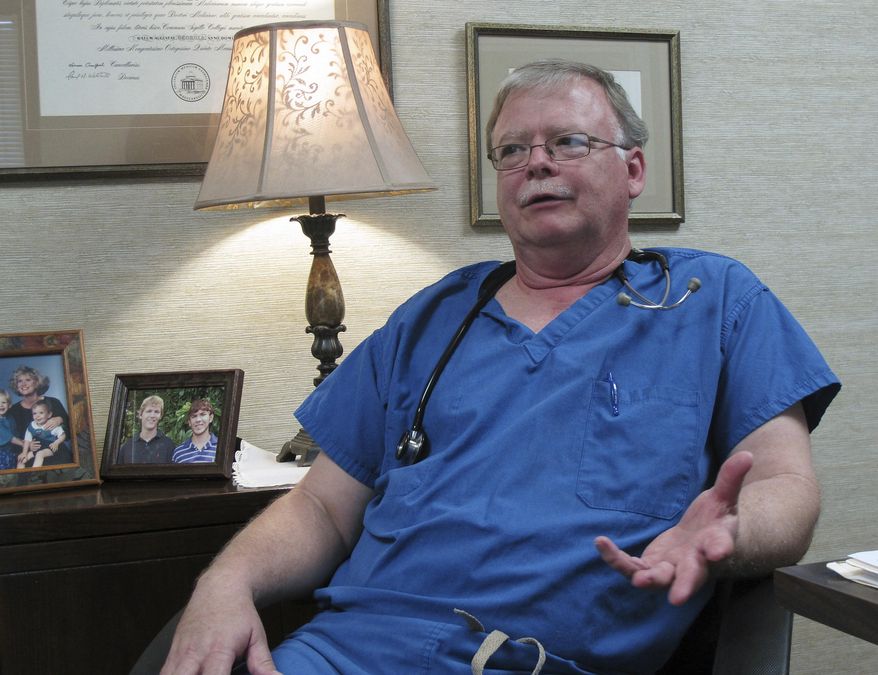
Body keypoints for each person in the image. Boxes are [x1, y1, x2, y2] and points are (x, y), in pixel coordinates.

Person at [162, 60, 840, 674]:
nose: (535, 164)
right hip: (344, 653)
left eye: (567, 142)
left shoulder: (713, 301)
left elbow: (786, 484)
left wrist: (732, 531)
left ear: (634, 170)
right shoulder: (433, 318)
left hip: (530, 661)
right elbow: (319, 507)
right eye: (512, 151)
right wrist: (225, 582)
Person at [7, 365, 69, 445]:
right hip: (26, 454)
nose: (23, 384)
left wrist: (60, 420)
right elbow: (9, 438)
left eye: (28, 380)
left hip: (54, 451)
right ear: (16, 386)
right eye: (20, 381)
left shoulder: (53, 402)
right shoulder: (13, 410)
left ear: (36, 383)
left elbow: (70, 433)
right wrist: (26, 445)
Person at [117, 395, 176, 464]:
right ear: (140, 415)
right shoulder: (127, 447)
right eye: (149, 411)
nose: (152, 415)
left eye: (156, 412)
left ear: (160, 416)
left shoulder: (169, 445)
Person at [17, 400, 68, 468]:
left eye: (41, 413)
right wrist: (24, 452)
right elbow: (27, 440)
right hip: (38, 448)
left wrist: (56, 443)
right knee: (22, 458)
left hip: (50, 448)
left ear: (49, 414)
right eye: (34, 413)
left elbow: (63, 435)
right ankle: (21, 474)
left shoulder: (51, 425)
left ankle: (35, 472)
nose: (37, 416)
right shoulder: (32, 425)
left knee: (39, 454)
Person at [171, 399, 218, 463]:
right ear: (189, 422)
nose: (198, 419)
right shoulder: (179, 453)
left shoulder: (222, 448)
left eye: (202, 414)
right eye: (194, 416)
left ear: (211, 418)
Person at [0, 389, 17, 470]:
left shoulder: (10, 418)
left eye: (3, 402)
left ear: (9, 405)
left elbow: (15, 433)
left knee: (11, 475)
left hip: (10, 452)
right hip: (1, 454)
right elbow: (10, 438)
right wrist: (24, 444)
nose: (1, 405)